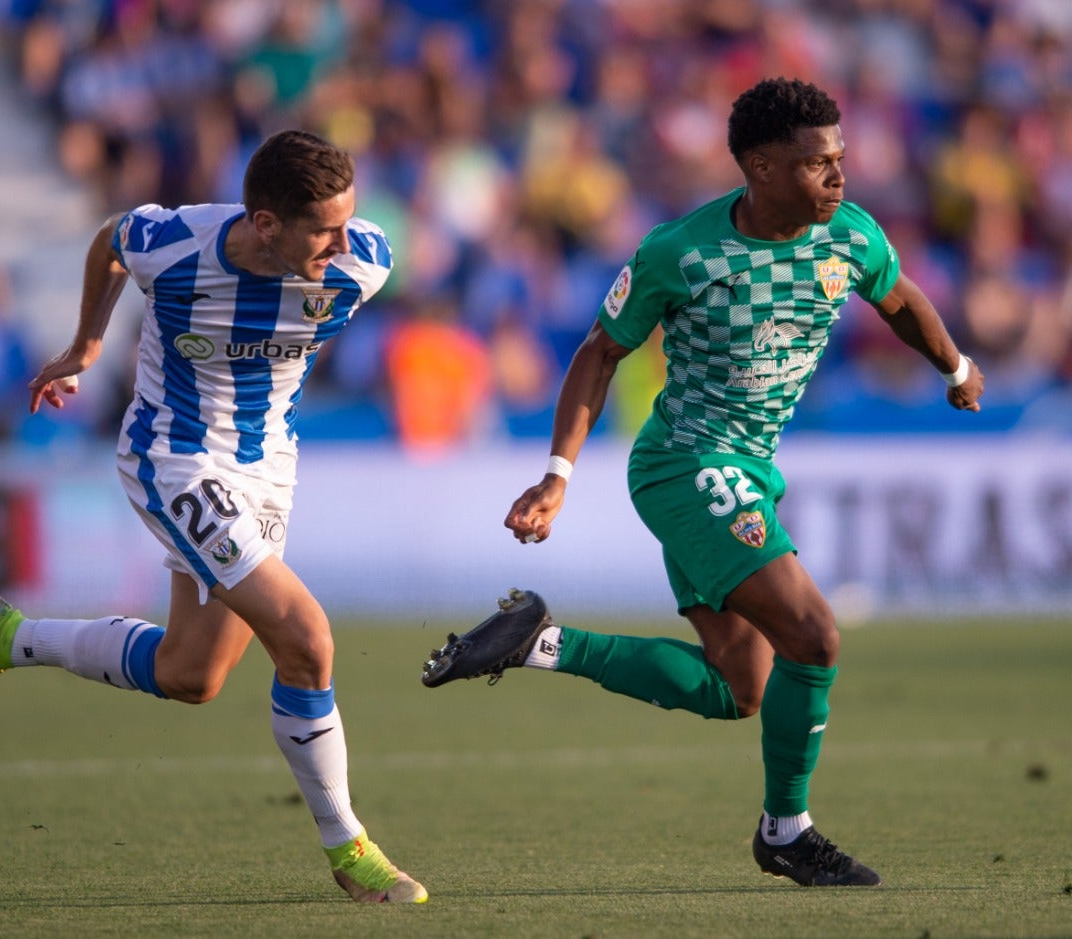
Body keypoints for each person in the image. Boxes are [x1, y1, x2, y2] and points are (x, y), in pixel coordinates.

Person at [421, 78, 985, 887]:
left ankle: (543, 640)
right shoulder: (680, 252)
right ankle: (788, 831)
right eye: (817, 163)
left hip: (749, 466)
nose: (838, 176)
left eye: (841, 159)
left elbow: (898, 298)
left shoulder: (851, 237)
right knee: (816, 635)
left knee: (741, 688)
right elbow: (599, 350)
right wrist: (556, 476)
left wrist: (955, 365)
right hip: (688, 463)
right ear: (759, 166)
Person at [0, 130, 427, 904]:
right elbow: (112, 242)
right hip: (176, 457)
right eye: (323, 228)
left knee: (191, 675)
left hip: (266, 472)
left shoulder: (365, 262)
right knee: (306, 639)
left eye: (347, 220)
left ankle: (6, 636)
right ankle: (349, 847)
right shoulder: (178, 243)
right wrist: (89, 342)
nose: (342, 239)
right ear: (265, 223)